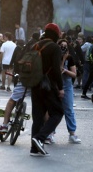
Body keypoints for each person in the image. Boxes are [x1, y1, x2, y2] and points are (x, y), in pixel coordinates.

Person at [30, 23, 64, 157]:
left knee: (38, 117)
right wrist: (61, 88)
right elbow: (56, 70)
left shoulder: (35, 45)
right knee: (58, 112)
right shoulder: (54, 47)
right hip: (48, 85)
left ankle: (34, 149)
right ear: (56, 34)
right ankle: (40, 138)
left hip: (34, 84)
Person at [45, 39, 81, 144]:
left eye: (65, 46)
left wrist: (66, 68)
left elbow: (74, 74)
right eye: (61, 46)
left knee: (69, 110)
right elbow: (57, 71)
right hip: (55, 86)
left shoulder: (70, 59)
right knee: (53, 110)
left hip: (67, 86)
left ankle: (72, 133)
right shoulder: (54, 57)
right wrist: (62, 60)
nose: (63, 48)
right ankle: (50, 133)